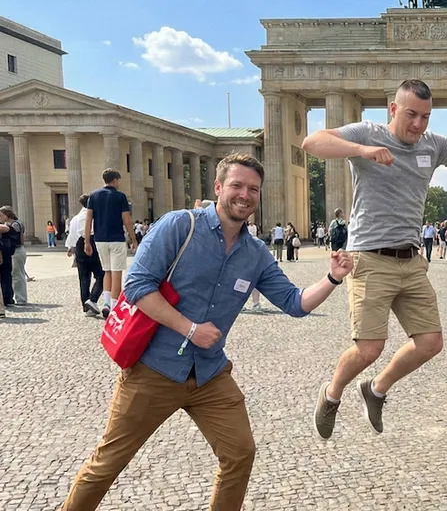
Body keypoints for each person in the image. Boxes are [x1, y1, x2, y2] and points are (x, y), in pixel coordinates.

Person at [61, 153, 354, 511]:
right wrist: (190, 328)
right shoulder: (179, 226)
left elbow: (295, 302)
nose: (244, 195)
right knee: (108, 462)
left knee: (240, 453)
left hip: (210, 375)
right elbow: (136, 285)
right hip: (154, 369)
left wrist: (333, 278)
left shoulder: (256, 253)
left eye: (253, 189)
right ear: (218, 188)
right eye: (237, 185)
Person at [302, 78, 447, 439]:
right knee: (369, 347)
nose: (418, 124)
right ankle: (332, 394)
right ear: (393, 109)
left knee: (431, 342)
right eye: (411, 115)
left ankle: (376, 389)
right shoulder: (370, 133)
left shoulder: (433, 145)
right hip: (370, 257)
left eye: (425, 116)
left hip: (411, 259)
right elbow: (313, 142)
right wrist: (360, 150)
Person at [83, 169, 139, 317]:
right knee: (117, 273)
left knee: (106, 271)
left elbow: (88, 220)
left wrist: (87, 241)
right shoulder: (120, 197)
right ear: (114, 180)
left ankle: (106, 303)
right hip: (116, 239)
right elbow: (126, 220)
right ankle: (115, 305)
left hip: (100, 239)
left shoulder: (93, 196)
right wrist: (134, 240)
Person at [65, 194, 105, 316]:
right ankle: (92, 299)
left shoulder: (76, 218)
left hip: (79, 245)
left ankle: (86, 306)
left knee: (83, 278)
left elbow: (72, 235)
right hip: (93, 243)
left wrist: (70, 248)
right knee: (101, 275)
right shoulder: (95, 216)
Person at [0, 206, 27, 305]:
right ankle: (19, 297)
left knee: (17, 275)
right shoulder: (15, 223)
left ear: (7, 215)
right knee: (17, 274)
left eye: (1, 215)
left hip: (16, 250)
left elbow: (8, 230)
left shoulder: (15, 224)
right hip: (17, 250)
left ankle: (21, 299)